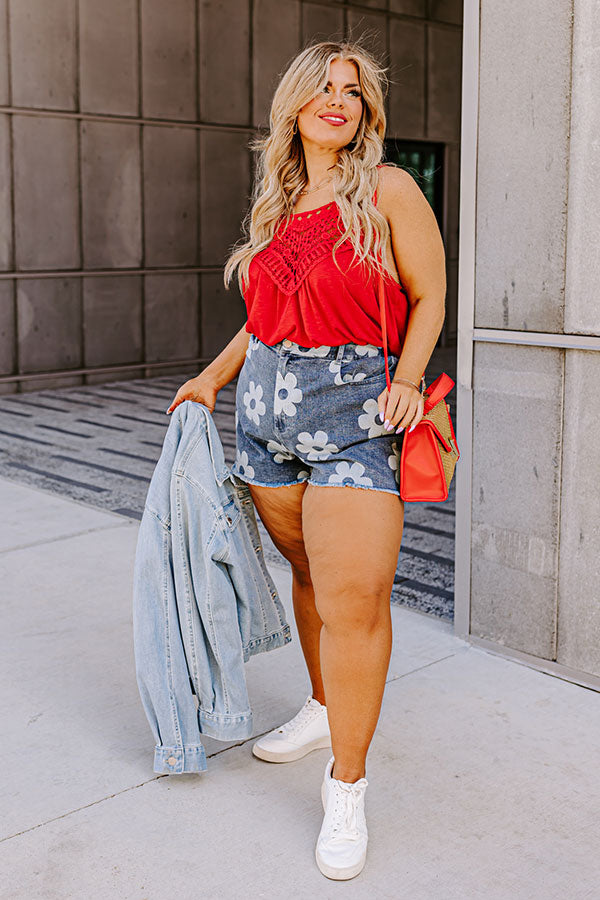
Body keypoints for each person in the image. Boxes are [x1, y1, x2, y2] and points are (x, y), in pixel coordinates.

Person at [166, 39, 446, 881]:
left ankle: (348, 786)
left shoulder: (386, 189)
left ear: (365, 113)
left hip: (356, 414)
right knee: (312, 577)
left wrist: (407, 378)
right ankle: (323, 706)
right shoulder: (280, 202)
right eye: (323, 89)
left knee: (355, 598)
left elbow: (429, 293)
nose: (339, 101)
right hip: (264, 420)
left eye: (352, 93)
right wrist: (210, 378)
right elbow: (264, 317)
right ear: (294, 105)